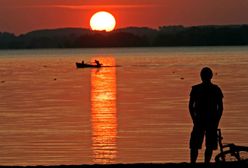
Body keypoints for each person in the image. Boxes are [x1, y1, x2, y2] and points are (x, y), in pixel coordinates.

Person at [189, 67, 223, 163]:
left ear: (201, 77)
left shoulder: (196, 89)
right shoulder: (215, 89)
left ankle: (194, 163)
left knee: (198, 145)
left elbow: (191, 107)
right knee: (203, 144)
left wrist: (194, 119)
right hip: (208, 120)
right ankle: (205, 163)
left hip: (201, 120)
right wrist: (216, 120)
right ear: (211, 76)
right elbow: (220, 108)